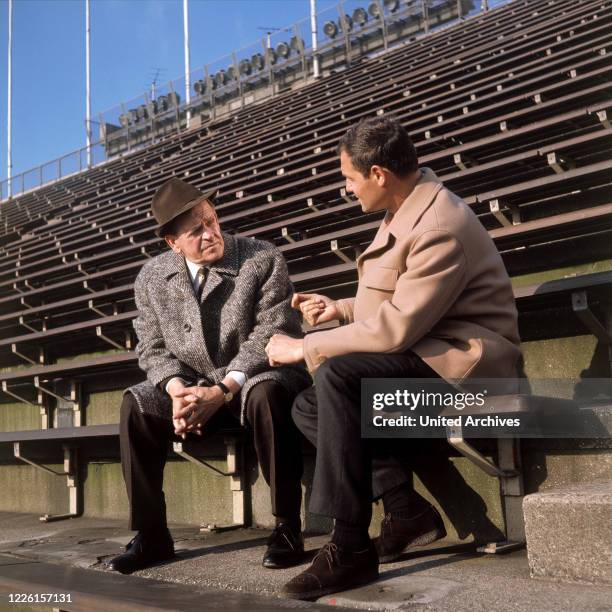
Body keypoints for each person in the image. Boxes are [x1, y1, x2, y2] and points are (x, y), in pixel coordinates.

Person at [265, 116, 522, 600]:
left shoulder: (440, 224)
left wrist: (304, 346)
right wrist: (338, 309)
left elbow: (397, 327)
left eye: (349, 178)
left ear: (379, 174)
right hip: (428, 352)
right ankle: (406, 511)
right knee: (308, 404)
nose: (347, 189)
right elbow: (398, 301)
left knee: (336, 375)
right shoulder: (406, 207)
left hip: (465, 373)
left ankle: (349, 546)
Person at [108, 177, 311, 574]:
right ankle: (152, 535)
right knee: (136, 404)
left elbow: (271, 332)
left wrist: (223, 388)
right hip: (195, 389)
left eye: (212, 220)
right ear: (172, 243)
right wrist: (178, 391)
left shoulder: (261, 257)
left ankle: (287, 527)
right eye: (196, 230)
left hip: (256, 378)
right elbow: (150, 347)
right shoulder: (151, 278)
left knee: (266, 394)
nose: (211, 233)